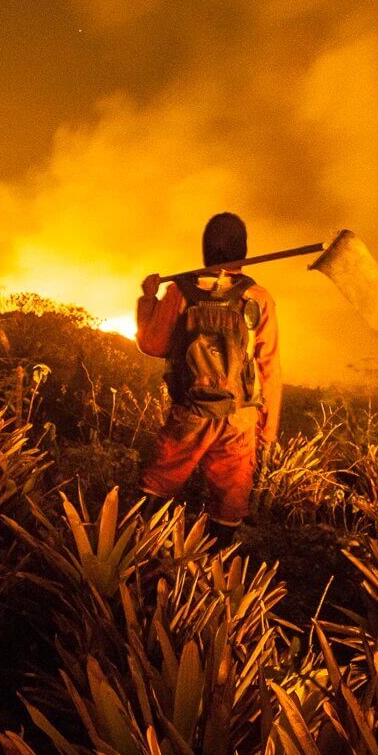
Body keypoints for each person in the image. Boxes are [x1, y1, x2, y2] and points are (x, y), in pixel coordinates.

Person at [135, 212, 282, 545]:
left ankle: (139, 557)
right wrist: (268, 430)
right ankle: (214, 577)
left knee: (158, 482)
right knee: (229, 502)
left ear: (206, 251)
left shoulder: (180, 291)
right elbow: (270, 367)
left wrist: (148, 299)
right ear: (242, 251)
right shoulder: (258, 298)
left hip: (190, 412)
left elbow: (152, 344)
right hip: (238, 419)